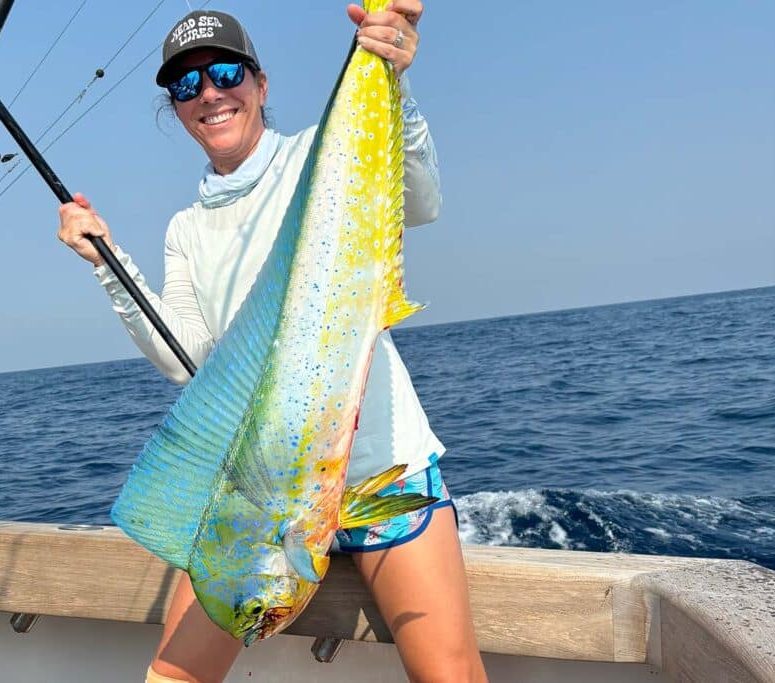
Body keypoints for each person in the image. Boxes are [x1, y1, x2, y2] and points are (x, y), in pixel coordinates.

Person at [58, 4, 487, 682]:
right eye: (186, 86)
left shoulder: (322, 157)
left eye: (225, 72)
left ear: (259, 83)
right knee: (172, 677)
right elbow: (186, 359)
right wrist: (110, 263)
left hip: (378, 469)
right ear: (175, 110)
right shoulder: (186, 231)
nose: (209, 93)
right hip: (261, 501)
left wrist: (394, 73)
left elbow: (421, 201)